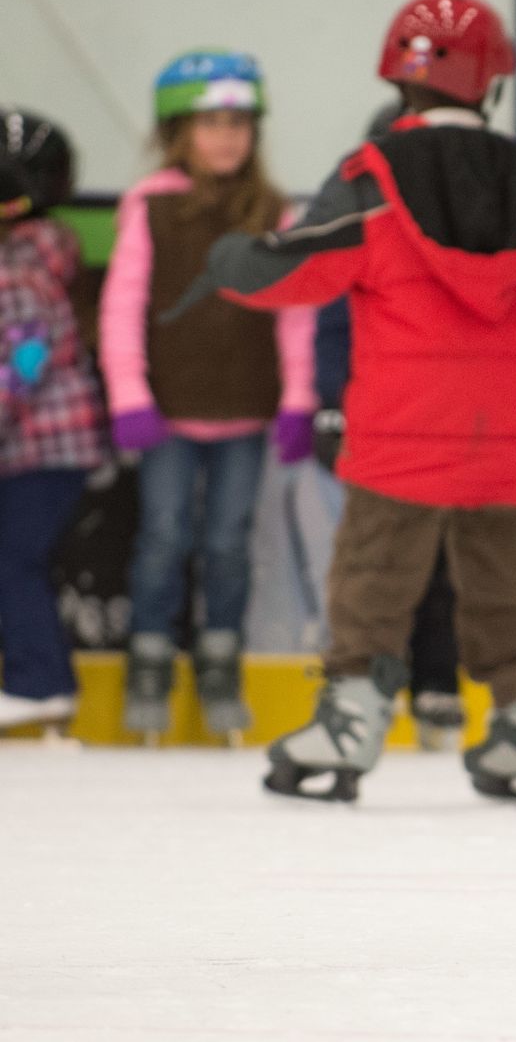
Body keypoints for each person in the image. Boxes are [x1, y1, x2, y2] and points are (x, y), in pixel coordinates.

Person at [174, 0, 516, 802]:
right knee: (503, 582)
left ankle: (350, 723)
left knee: (373, 575)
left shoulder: (375, 174)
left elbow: (301, 264)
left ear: (399, 79)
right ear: (491, 83)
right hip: (514, 432)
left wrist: (231, 259)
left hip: (405, 427)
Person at [100, 51, 315, 743]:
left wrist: (298, 400)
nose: (227, 137)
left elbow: (294, 311)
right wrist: (129, 394)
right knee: (163, 536)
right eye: (210, 123)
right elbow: (122, 304)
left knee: (226, 542)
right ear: (178, 132)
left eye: (239, 124)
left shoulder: (271, 209)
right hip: (165, 413)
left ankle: (220, 655)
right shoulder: (151, 204)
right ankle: (149, 656)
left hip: (246, 412)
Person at [307, 102, 466, 750]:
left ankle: (436, 682)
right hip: (377, 423)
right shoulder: (358, 232)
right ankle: (364, 683)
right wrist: (328, 404)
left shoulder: (466, 233)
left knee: (442, 558)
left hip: (446, 424)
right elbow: (332, 327)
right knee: (375, 558)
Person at [0, 110, 109, 731]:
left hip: (47, 444)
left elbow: (30, 351)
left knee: (15, 560)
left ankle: (41, 682)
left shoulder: (20, 261)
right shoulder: (36, 248)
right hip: (38, 442)